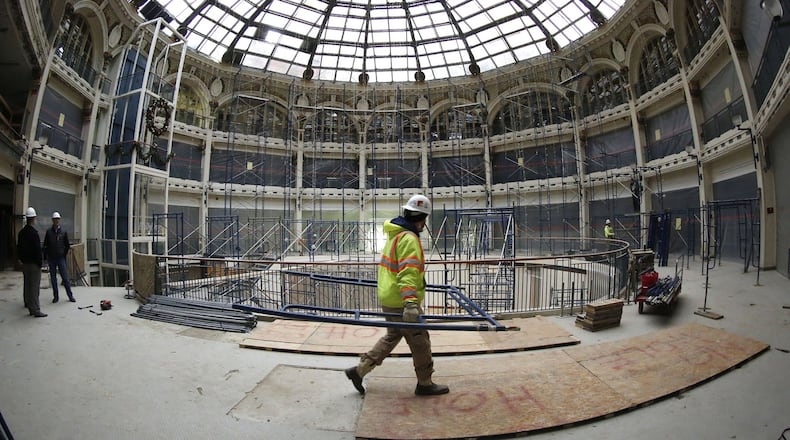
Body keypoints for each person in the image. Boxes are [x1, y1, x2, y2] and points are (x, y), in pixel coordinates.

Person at [345, 194, 449, 396]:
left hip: (389, 297)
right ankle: (425, 383)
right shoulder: (409, 239)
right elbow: (408, 273)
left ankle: (360, 370)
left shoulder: (395, 235)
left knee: (392, 336)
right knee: (420, 342)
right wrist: (411, 303)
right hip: (402, 300)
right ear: (422, 220)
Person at [17, 207, 46, 317]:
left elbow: (18, 247)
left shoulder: (21, 233)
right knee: (34, 287)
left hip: (25, 264)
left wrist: (20, 259)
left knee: (27, 284)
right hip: (34, 264)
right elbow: (37, 250)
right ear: (33, 219)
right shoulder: (34, 233)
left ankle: (27, 303)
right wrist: (40, 263)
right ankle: (35, 309)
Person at [42, 211, 75, 303]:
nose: (56, 221)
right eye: (55, 219)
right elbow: (45, 245)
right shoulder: (49, 232)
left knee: (65, 277)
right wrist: (46, 257)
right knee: (53, 278)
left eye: (57, 219)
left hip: (60, 258)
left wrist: (63, 254)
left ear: (59, 220)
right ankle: (55, 296)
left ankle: (70, 296)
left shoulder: (63, 232)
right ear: (52, 220)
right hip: (52, 258)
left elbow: (67, 245)